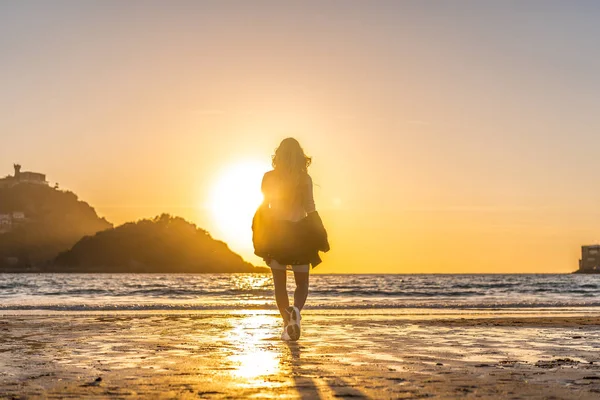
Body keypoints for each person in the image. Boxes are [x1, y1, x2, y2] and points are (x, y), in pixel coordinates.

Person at [253, 137, 328, 341]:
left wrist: (261, 231)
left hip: (278, 234)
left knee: (279, 284)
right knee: (302, 283)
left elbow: (266, 205)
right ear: (300, 156)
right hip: (301, 234)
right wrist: (319, 230)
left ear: (278, 154)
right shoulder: (305, 178)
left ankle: (287, 324)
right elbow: (310, 207)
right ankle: (295, 310)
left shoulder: (269, 177)